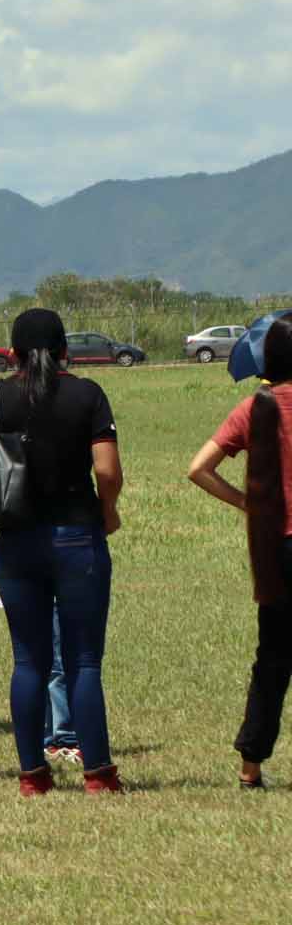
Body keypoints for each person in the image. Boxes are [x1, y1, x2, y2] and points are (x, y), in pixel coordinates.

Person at [0, 308, 124, 796]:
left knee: (28, 661)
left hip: (16, 543)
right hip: (77, 536)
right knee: (84, 661)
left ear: (11, 353)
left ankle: (33, 774)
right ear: (64, 351)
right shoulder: (87, 394)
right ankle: (97, 773)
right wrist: (109, 510)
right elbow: (107, 470)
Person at [187, 315, 292, 789]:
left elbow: (199, 468)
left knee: (272, 658)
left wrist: (247, 502)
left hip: (275, 550)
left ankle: (251, 765)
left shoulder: (255, 407)